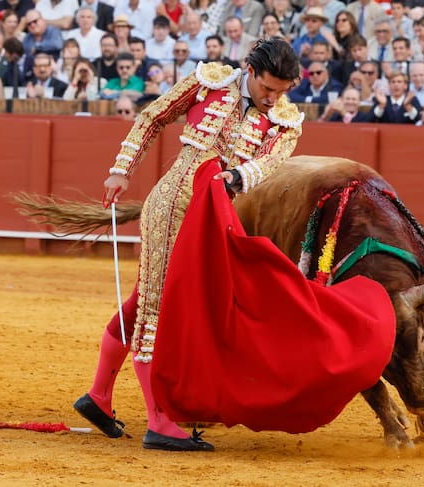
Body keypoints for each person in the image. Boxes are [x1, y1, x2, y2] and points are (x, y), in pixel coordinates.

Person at [73, 38, 302, 451]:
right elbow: (152, 116)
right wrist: (121, 169)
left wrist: (239, 177)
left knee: (146, 299)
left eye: (282, 91)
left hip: (214, 217)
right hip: (172, 207)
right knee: (157, 308)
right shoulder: (208, 82)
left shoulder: (285, 121)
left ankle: (99, 397)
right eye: (269, 89)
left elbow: (269, 161)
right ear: (250, 71)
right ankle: (159, 420)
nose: (274, 99)